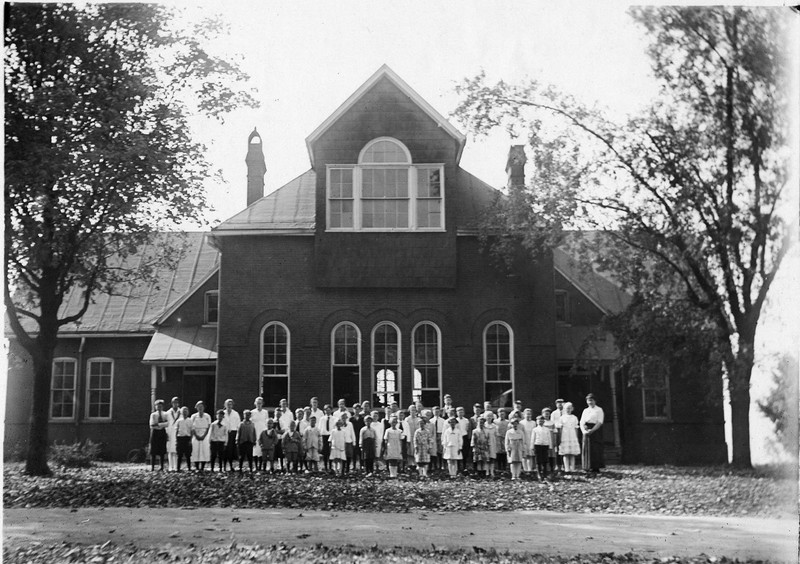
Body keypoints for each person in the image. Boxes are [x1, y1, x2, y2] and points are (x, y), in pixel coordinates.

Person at [580, 394, 605, 472]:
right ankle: (587, 466)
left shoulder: (599, 410)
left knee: (595, 448)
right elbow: (581, 422)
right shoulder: (585, 410)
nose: (590, 402)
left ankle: (595, 467)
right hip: (586, 430)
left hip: (595, 430)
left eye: (592, 400)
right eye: (588, 400)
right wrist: (584, 431)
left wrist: (592, 430)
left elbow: (600, 422)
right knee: (586, 448)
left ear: (595, 401)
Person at [559, 402, 581, 472]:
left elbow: (576, 428)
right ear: (564, 409)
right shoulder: (562, 418)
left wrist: (576, 437)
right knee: (566, 453)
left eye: (569, 408)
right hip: (565, 435)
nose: (568, 410)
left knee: (572, 453)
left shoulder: (574, 417)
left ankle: (572, 468)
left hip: (572, 435)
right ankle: (566, 468)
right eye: (566, 408)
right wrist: (560, 437)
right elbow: (560, 428)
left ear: (572, 409)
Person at [190, 401, 212, 472]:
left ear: (204, 407)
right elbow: (192, 427)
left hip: (205, 434)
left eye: (201, 406)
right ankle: (197, 467)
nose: (200, 408)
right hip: (195, 434)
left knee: (204, 450)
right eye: (198, 406)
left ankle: (202, 467)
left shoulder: (207, 416)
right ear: (196, 407)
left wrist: (204, 435)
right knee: (195, 449)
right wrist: (196, 435)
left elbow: (209, 427)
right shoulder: (193, 416)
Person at [149, 399, 169, 471]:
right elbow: (152, 425)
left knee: (162, 450)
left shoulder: (165, 414)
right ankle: (153, 467)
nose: (159, 407)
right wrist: (161, 424)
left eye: (160, 406)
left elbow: (167, 424)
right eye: (157, 406)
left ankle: (162, 467)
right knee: (154, 450)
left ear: (162, 407)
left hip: (162, 433)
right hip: (155, 433)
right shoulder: (153, 415)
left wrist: (158, 424)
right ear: (155, 407)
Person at [222, 399, 241, 472]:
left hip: (233, 433)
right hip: (224, 433)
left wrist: (237, 435)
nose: (229, 406)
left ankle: (231, 466)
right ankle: (224, 466)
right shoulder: (223, 413)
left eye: (230, 404)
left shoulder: (235, 414)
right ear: (225, 405)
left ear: (232, 405)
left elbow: (238, 425)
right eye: (227, 404)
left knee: (231, 450)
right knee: (224, 450)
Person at [250, 397, 269, 472]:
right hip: (255, 432)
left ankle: (261, 466)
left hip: (263, 432)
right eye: (257, 403)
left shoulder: (265, 412)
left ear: (262, 404)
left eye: (260, 403)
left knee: (262, 449)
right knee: (255, 449)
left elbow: (266, 423)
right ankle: (256, 466)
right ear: (255, 403)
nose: (259, 405)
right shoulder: (252, 412)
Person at [532, 415, 552, 480]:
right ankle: (539, 474)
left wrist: (550, 446)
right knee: (538, 460)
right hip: (537, 445)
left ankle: (545, 474)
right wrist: (532, 446)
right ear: (536, 421)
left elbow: (549, 438)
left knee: (545, 460)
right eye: (539, 420)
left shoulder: (547, 429)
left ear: (544, 421)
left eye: (542, 420)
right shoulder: (535, 429)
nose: (540, 422)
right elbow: (533, 438)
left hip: (545, 445)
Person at [402, 405, 421, 473]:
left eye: (414, 410)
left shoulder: (418, 419)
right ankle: (410, 465)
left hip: (416, 437)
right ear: (409, 411)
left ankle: (416, 464)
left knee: (416, 451)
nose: (413, 411)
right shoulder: (407, 419)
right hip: (410, 436)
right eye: (411, 410)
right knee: (409, 451)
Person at [429, 406, 447, 471]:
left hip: (440, 434)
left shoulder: (443, 420)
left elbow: (444, 430)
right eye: (435, 411)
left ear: (440, 412)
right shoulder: (431, 421)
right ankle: (434, 465)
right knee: (433, 451)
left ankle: (441, 465)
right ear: (433, 412)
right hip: (433, 435)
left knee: (440, 451)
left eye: (438, 411)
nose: (436, 412)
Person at [166, 397, 182, 472]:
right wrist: (166, 433)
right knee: (170, 450)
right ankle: (170, 466)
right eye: (174, 402)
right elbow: (166, 424)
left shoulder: (181, 412)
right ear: (171, 403)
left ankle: (176, 466)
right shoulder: (168, 413)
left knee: (176, 450)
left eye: (177, 402)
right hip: (170, 433)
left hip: (178, 433)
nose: (175, 404)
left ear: (178, 403)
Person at [175, 406, 193, 471]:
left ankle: (189, 468)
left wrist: (191, 440)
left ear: (188, 412)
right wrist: (176, 440)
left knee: (188, 455)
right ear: (181, 413)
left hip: (187, 438)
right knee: (179, 454)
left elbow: (192, 430)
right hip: (180, 438)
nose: (185, 413)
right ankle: (178, 468)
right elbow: (176, 431)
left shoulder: (190, 420)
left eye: (186, 411)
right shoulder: (178, 421)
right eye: (183, 411)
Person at [519, 408, 536, 474]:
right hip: (524, 439)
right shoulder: (521, 423)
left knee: (530, 455)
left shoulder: (533, 422)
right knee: (524, 455)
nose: (528, 416)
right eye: (527, 414)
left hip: (531, 439)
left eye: (529, 414)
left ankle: (530, 469)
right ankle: (525, 469)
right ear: (524, 415)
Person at [542, 407, 558, 475]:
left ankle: (552, 468)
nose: (546, 415)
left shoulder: (552, 423)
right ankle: (545, 468)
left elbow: (554, 432)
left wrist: (554, 441)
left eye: (548, 414)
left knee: (551, 454)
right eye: (545, 414)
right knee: (545, 454)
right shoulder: (541, 422)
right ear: (543, 414)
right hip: (544, 440)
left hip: (551, 440)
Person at [483, 411, 498, 478]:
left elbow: (496, 435)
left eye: (490, 416)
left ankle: (491, 471)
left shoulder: (495, 426)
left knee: (492, 457)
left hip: (493, 443)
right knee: (486, 458)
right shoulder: (483, 426)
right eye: (487, 416)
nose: (489, 417)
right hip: (485, 444)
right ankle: (486, 471)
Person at [455, 407, 471, 472]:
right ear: (457, 413)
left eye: (462, 412)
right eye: (459, 412)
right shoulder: (455, 420)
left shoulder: (466, 420)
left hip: (464, 437)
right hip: (457, 437)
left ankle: (464, 466)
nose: (460, 413)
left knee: (465, 452)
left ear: (464, 413)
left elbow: (467, 429)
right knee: (458, 452)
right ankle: (458, 467)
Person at [319, 404, 334, 472]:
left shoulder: (334, 419)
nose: (328, 411)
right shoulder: (322, 419)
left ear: (331, 410)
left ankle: (330, 466)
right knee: (325, 452)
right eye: (326, 410)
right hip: (324, 436)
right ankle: (325, 467)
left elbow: (334, 428)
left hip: (331, 436)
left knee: (330, 452)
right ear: (324, 411)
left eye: (329, 410)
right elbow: (320, 428)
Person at [350, 403, 365, 471]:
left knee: (360, 451)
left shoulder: (362, 419)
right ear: (353, 410)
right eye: (355, 409)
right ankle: (354, 465)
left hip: (360, 436)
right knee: (354, 452)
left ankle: (362, 465)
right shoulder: (351, 419)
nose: (357, 411)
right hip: (353, 436)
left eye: (358, 409)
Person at [552, 398, 565, 471]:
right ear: (556, 404)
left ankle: (564, 465)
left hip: (565, 431)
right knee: (557, 448)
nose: (560, 404)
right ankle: (558, 464)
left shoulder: (565, 412)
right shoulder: (554, 413)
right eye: (558, 403)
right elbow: (552, 423)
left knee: (564, 447)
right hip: (557, 431)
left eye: (561, 403)